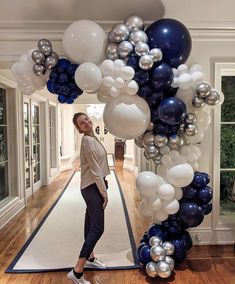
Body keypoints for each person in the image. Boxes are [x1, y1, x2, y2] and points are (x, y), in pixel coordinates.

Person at [68, 112, 110, 284]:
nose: (86, 122)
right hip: (92, 187)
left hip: (92, 186)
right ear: (79, 128)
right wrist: (104, 193)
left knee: (90, 223)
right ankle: (77, 271)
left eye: (86, 118)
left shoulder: (92, 138)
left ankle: (91, 258)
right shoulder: (87, 141)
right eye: (81, 122)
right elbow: (94, 170)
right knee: (98, 228)